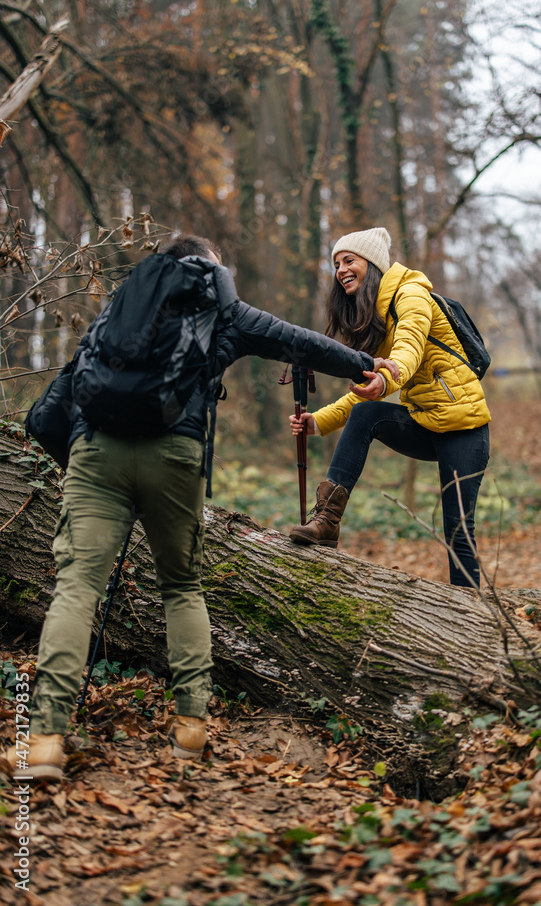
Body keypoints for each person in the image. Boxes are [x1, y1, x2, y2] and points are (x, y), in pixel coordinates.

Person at [1, 233, 392, 783]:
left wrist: (79, 454)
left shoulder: (123, 302)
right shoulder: (226, 307)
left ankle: (42, 742)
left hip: (95, 453)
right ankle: (190, 728)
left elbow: (61, 395)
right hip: (175, 454)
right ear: (212, 267)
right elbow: (297, 341)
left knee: (76, 588)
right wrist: (364, 366)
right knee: (181, 586)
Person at [288, 227, 491, 588]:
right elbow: (360, 395)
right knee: (367, 412)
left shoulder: (411, 294)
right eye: (336, 264)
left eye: (349, 260)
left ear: (373, 264)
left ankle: (472, 614)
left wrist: (388, 379)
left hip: (465, 428)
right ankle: (327, 520)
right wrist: (317, 422)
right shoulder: (379, 317)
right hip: (427, 424)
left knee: (458, 529)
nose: (341, 270)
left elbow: (409, 349)